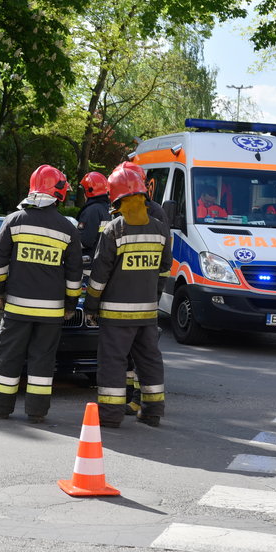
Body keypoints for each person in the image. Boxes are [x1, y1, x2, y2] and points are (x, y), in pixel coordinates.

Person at [0, 164, 83, 423]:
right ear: (58, 193)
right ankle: (37, 411)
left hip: (16, 307)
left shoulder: (14, 221)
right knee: (43, 359)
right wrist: (71, 304)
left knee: (8, 356)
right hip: (51, 310)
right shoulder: (67, 228)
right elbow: (74, 273)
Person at [84, 164, 172, 428]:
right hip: (146, 313)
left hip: (115, 313)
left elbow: (100, 275)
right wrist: (153, 297)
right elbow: (164, 268)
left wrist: (91, 306)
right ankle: (153, 411)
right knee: (149, 361)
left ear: (118, 197)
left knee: (113, 362)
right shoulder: (159, 228)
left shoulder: (115, 230)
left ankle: (110, 416)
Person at [77, 172, 111, 260]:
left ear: (89, 191)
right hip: (100, 261)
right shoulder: (104, 209)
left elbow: (84, 241)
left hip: (88, 264)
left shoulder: (92, 211)